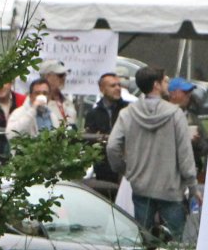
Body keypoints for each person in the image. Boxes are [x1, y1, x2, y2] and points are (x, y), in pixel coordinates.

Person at [107, 66, 201, 240]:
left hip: (141, 186)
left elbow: (112, 146)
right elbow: (184, 153)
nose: (167, 84)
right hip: (170, 188)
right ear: (156, 85)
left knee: (143, 240)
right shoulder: (175, 114)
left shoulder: (127, 113)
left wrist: (125, 170)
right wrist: (192, 186)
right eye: (164, 80)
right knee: (174, 244)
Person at [84, 72, 130, 185]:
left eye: (119, 85)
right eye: (113, 86)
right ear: (102, 89)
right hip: (103, 169)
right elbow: (89, 142)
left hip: (126, 166)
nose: (118, 88)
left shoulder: (129, 110)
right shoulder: (93, 114)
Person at [165, 77, 208, 177]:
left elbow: (205, 147)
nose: (189, 94)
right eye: (185, 91)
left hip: (191, 170)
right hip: (168, 172)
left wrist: (198, 142)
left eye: (190, 91)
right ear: (173, 94)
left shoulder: (193, 118)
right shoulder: (162, 115)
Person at [5, 78, 64, 143]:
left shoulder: (53, 116)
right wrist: (33, 110)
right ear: (30, 96)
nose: (41, 96)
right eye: (37, 93)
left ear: (49, 97)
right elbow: (10, 135)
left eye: (45, 93)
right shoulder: (19, 113)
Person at [37, 60, 79, 128]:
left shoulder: (67, 102)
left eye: (65, 75)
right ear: (47, 76)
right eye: (60, 75)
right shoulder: (35, 102)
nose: (64, 78)